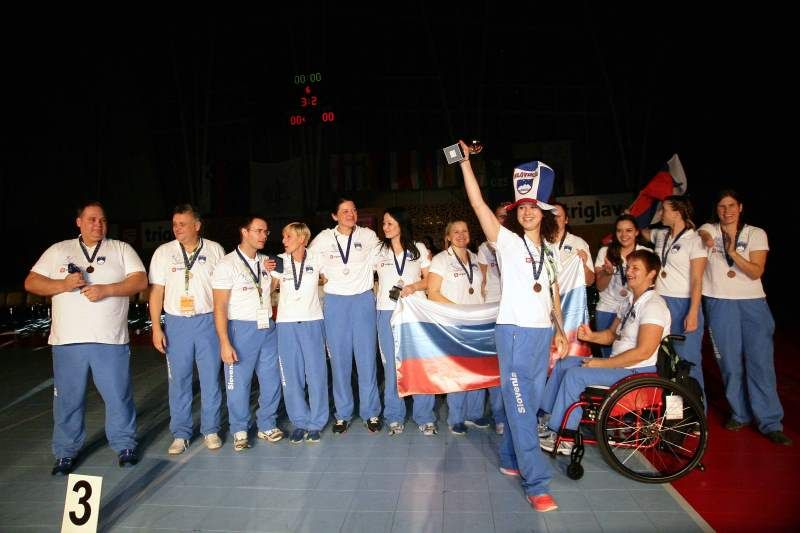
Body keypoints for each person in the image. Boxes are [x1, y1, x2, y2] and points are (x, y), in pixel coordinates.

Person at [458, 140, 568, 513]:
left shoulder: (550, 251)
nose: (527, 212)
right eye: (522, 207)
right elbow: (478, 204)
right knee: (522, 409)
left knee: (527, 406)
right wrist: (466, 164)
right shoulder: (505, 242)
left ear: (544, 211)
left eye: (533, 207)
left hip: (541, 334)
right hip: (514, 334)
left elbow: (553, 293)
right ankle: (537, 483)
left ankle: (509, 457)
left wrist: (560, 331)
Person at [25, 201, 148, 475]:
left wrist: (107, 290)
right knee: (67, 400)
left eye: (102, 220)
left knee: (118, 396)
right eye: (92, 219)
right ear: (78, 222)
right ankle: (65, 452)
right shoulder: (58, 250)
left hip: (110, 339)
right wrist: (62, 284)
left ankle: (125, 445)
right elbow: (31, 282)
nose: (98, 224)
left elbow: (140, 281)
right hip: (68, 341)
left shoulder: (121, 249)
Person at [539, 249, 670, 455]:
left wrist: (602, 363)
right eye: (628, 267)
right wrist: (591, 336)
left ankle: (566, 437)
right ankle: (547, 418)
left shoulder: (654, 306)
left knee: (575, 375)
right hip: (619, 366)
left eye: (636, 268)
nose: (629, 272)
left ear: (652, 274)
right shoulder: (629, 301)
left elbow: (643, 352)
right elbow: (610, 335)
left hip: (636, 373)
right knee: (564, 363)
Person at [697, 190, 791, 446]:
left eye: (731, 205)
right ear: (716, 209)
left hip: (752, 304)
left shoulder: (755, 233)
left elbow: (755, 272)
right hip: (719, 302)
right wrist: (707, 238)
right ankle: (739, 413)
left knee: (761, 363)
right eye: (721, 206)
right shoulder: (709, 229)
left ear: (740, 207)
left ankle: (770, 422)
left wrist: (733, 252)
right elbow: (703, 234)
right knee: (729, 363)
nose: (727, 211)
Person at [148, 204, 226, 454]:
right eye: (174, 224)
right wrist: (156, 328)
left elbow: (223, 291)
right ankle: (181, 433)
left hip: (207, 322)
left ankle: (211, 429)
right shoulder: (163, 252)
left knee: (210, 379)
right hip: (176, 323)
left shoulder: (215, 250)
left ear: (197, 225)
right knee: (178, 380)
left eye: (182, 224)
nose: (177, 228)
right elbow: (156, 292)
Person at [308, 198, 382, 433]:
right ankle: (343, 413)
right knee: (339, 361)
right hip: (336, 303)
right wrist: (321, 277)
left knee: (367, 360)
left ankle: (371, 412)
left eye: (354, 210)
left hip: (362, 301)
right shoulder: (323, 239)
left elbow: (383, 261)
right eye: (345, 211)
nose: (351, 214)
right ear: (334, 216)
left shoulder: (368, 236)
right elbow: (309, 265)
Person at [212, 216, 283, 450]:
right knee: (238, 383)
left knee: (271, 380)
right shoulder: (226, 264)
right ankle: (239, 429)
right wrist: (224, 342)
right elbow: (219, 306)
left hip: (267, 327)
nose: (264, 236)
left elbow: (270, 287)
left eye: (266, 231)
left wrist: (274, 275)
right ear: (244, 232)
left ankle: (267, 424)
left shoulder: (267, 262)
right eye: (258, 231)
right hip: (240, 329)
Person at [374, 207, 435, 435]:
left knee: (419, 364)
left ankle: (425, 416)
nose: (385, 227)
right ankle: (394, 415)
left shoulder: (418, 249)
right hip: (386, 312)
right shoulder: (378, 250)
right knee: (391, 366)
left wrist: (414, 286)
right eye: (384, 223)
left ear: (401, 224)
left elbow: (429, 280)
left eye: (390, 223)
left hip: (414, 312)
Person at [427, 220, 492, 436]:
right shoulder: (440, 260)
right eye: (456, 231)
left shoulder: (475, 258)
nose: (461, 235)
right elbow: (433, 292)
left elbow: (481, 288)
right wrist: (459, 311)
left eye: (465, 231)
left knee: (477, 368)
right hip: (454, 321)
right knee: (458, 370)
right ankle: (456, 417)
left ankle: (475, 413)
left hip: (477, 321)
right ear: (448, 236)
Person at [640, 196, 707, 396]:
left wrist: (693, 312)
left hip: (684, 304)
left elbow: (697, 280)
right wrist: (633, 214)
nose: (660, 214)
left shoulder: (695, 240)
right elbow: (640, 231)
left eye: (664, 210)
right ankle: (673, 410)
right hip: (660, 302)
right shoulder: (661, 235)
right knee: (664, 359)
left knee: (688, 360)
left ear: (678, 213)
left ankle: (696, 410)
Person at [270, 223, 329, 444]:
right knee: (291, 376)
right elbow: (268, 288)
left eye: (288, 236)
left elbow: (331, 278)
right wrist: (265, 274)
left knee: (316, 375)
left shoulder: (317, 258)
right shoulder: (278, 260)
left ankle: (316, 423)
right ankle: (300, 422)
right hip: (286, 324)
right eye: (283, 236)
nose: (283, 240)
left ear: (302, 239)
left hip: (312, 321)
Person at [477, 203, 511, 435]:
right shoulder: (484, 248)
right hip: (492, 311)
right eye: (500, 216)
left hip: (515, 312)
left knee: (514, 367)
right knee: (495, 366)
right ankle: (499, 416)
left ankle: (517, 415)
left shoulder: (520, 243)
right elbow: (481, 282)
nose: (503, 220)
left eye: (507, 216)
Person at [594, 215, 649, 357]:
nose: (624, 235)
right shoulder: (605, 252)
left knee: (629, 354)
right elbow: (600, 287)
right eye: (619, 231)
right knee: (607, 357)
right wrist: (607, 273)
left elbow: (650, 285)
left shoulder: (646, 254)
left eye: (629, 230)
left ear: (637, 232)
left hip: (633, 310)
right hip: (607, 309)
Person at [551, 201, 595, 286]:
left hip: (569, 293)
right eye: (552, 216)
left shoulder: (578, 242)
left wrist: (584, 266)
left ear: (566, 220)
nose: (555, 219)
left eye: (558, 216)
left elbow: (590, 281)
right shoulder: (540, 242)